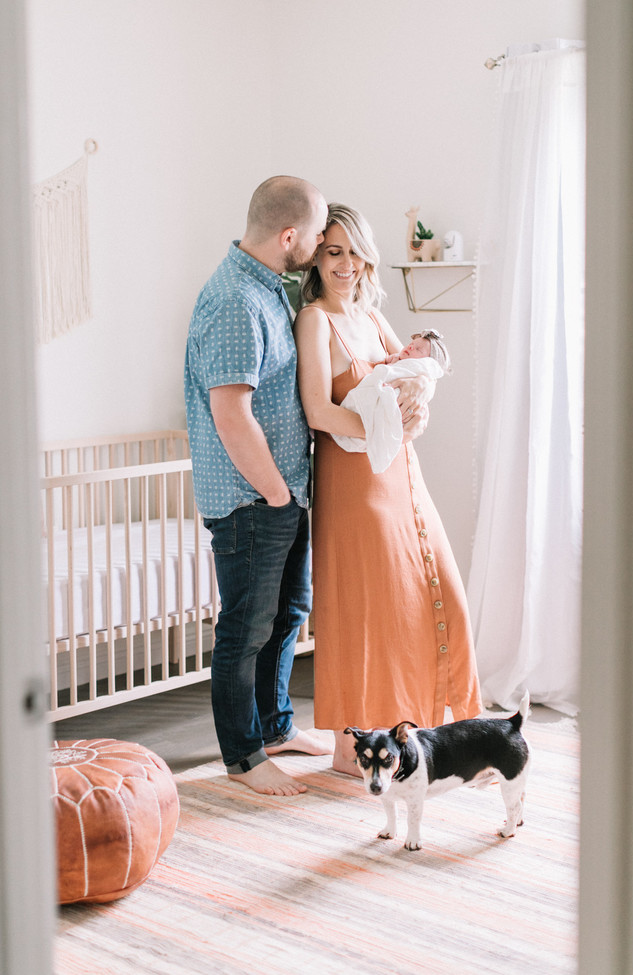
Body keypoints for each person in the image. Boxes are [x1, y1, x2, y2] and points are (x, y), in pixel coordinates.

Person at [294, 203, 482, 776]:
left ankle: (418, 727)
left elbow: (412, 383)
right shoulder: (314, 320)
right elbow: (318, 410)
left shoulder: (375, 318)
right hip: (354, 483)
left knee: (435, 594)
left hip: (403, 475)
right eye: (333, 251)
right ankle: (353, 746)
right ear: (317, 259)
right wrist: (383, 426)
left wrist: (415, 410)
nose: (346, 264)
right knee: (368, 609)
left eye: (354, 252)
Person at [184, 175, 332, 797]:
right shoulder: (237, 301)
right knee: (245, 628)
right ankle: (243, 756)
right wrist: (274, 493)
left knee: (286, 617)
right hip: (253, 499)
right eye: (319, 233)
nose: (323, 244)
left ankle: (273, 727)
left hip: (281, 493)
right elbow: (230, 412)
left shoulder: (270, 290)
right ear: (290, 234)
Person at [331, 329, 452, 473]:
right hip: (355, 454)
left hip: (402, 462)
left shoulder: (418, 370)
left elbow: (427, 374)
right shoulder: (402, 361)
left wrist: (423, 380)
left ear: (428, 362)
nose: (411, 347)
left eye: (418, 349)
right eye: (411, 343)